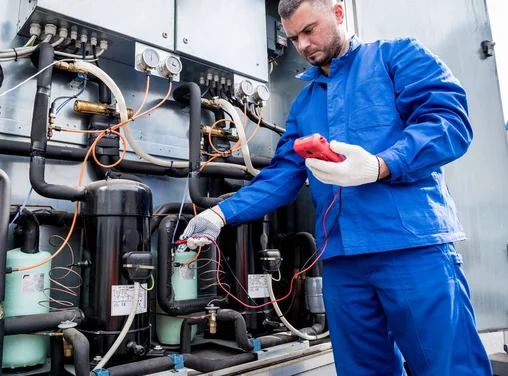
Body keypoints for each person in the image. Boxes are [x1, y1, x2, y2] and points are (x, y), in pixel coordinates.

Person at [180, 0, 493, 375]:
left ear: (339, 13)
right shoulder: (305, 103)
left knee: (447, 366)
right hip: (343, 261)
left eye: (309, 30)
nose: (303, 44)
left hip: (412, 248)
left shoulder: (397, 57)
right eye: (294, 37)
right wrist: (220, 213)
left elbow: (448, 123)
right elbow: (282, 175)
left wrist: (382, 165)